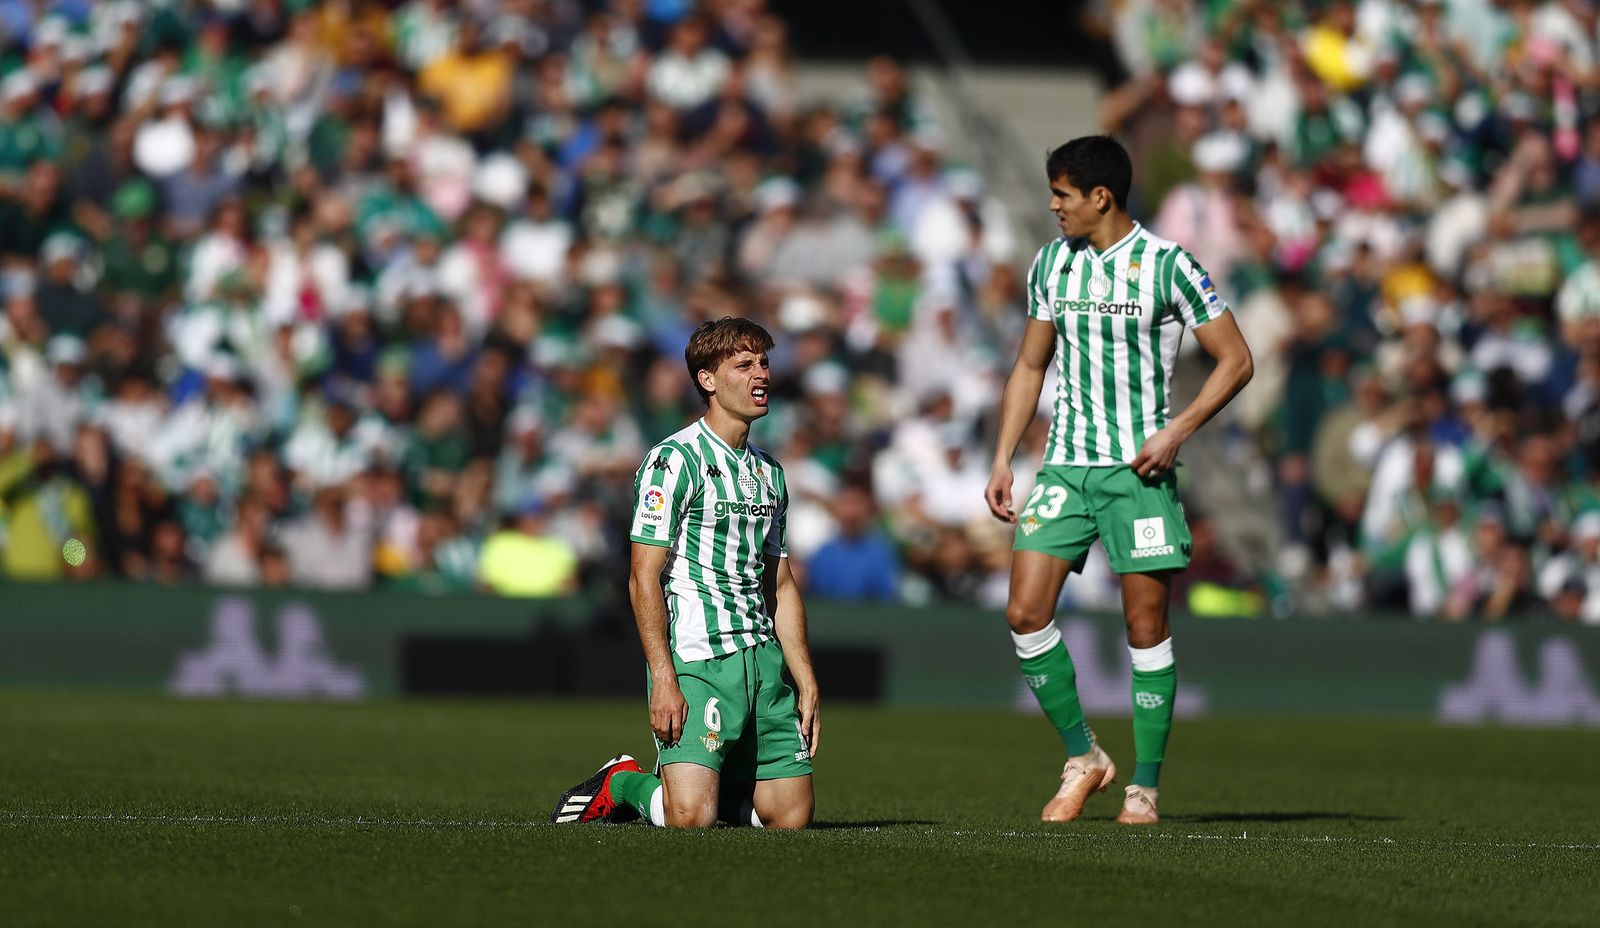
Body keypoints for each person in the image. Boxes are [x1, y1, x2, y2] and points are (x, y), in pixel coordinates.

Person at [984, 136, 1253, 825]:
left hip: (1139, 471)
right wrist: (1003, 455)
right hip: (1066, 466)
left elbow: (1235, 359)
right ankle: (1084, 755)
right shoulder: (1051, 262)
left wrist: (1177, 431)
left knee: (1145, 626)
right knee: (1024, 612)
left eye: (1063, 195)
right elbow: (1030, 365)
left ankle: (1145, 787)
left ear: (1100, 197)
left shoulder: (1169, 264)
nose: (1054, 207)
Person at [551, 317, 818, 829]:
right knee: (690, 818)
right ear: (707, 379)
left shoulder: (770, 472)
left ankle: (720, 780)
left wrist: (804, 678)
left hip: (762, 661)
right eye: (743, 365)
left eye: (764, 362)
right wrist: (663, 678)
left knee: (791, 818)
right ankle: (623, 782)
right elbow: (642, 578)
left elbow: (781, 586)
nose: (761, 374)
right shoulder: (673, 460)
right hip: (698, 657)